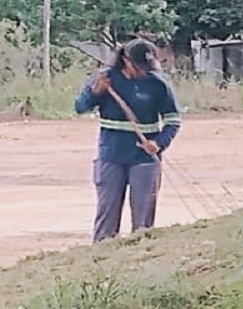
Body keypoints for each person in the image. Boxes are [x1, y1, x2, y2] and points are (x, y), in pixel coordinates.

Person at [74, 39, 180, 242]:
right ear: (125, 60)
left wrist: (158, 143)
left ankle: (140, 254)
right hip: (111, 156)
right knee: (107, 212)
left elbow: (173, 120)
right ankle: (102, 258)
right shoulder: (106, 79)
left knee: (143, 218)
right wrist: (96, 92)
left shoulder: (158, 84)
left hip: (145, 159)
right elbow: (80, 107)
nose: (143, 72)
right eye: (138, 67)